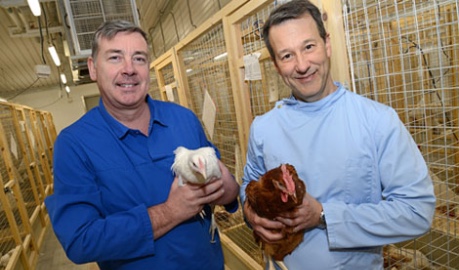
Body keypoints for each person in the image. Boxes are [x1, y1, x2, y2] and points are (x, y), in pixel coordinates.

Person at [239, 1, 436, 269]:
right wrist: (251, 214)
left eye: (309, 47)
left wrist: (323, 215)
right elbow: (247, 186)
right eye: (287, 56)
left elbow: (417, 212)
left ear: (327, 44)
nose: (302, 65)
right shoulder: (263, 128)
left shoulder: (376, 120)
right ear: (275, 65)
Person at [45, 20, 239, 270]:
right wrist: (171, 211)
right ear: (93, 68)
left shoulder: (184, 119)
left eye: (139, 58)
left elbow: (228, 189)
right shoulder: (74, 144)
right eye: (115, 58)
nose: (129, 69)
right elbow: (81, 240)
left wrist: (228, 188)